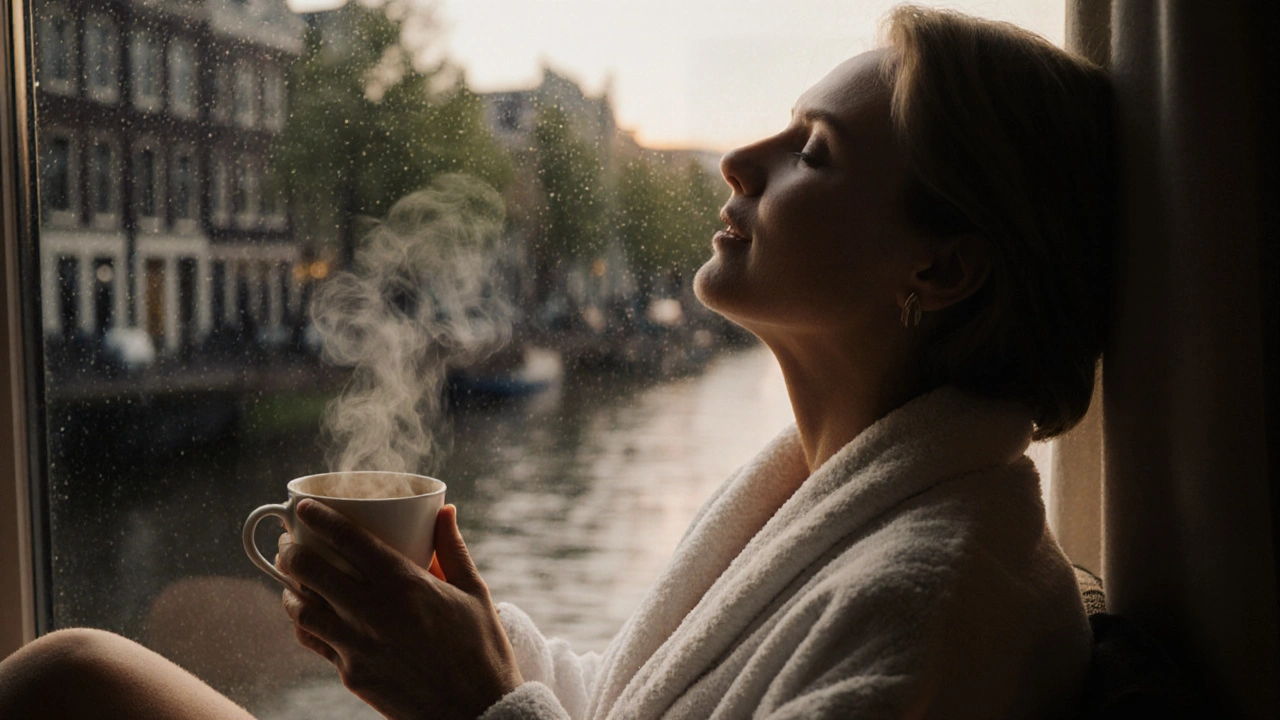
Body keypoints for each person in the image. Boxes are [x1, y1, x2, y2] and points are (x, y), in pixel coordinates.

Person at [0, 5, 1112, 719]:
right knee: (72, 676)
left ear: (941, 270)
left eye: (813, 150)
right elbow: (634, 705)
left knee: (65, 682)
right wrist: (462, 628)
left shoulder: (935, 602)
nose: (736, 155)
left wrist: (473, 702)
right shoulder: (826, 501)